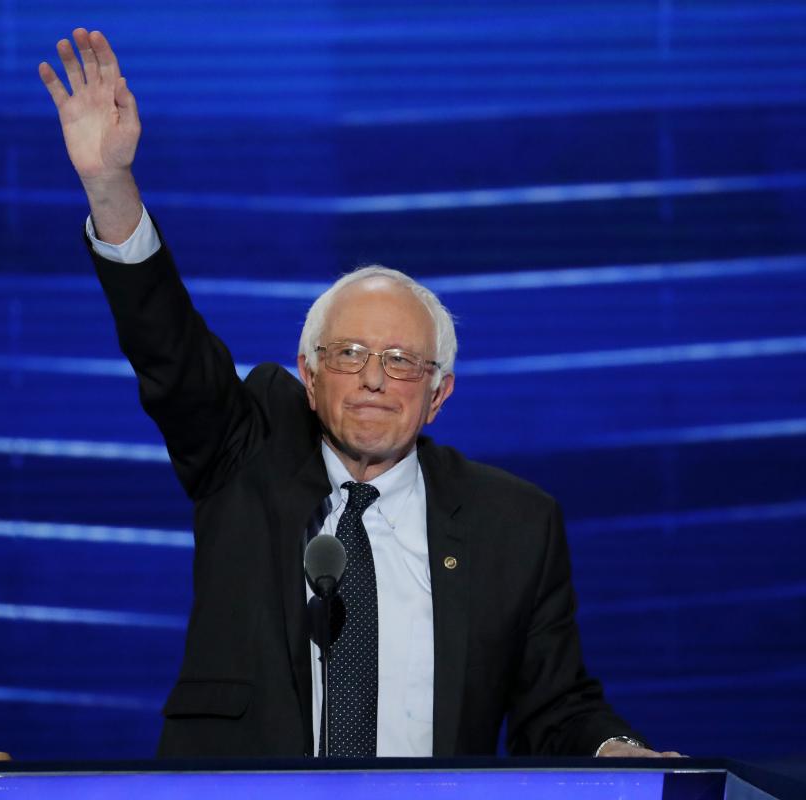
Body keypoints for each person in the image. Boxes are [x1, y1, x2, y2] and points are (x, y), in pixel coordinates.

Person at [39, 27, 681, 759]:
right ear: (309, 375)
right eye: (350, 354)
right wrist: (109, 187)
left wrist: (617, 753)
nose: (375, 376)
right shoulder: (246, 453)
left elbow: (556, 705)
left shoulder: (515, 525)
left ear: (438, 395)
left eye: (403, 361)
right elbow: (170, 351)